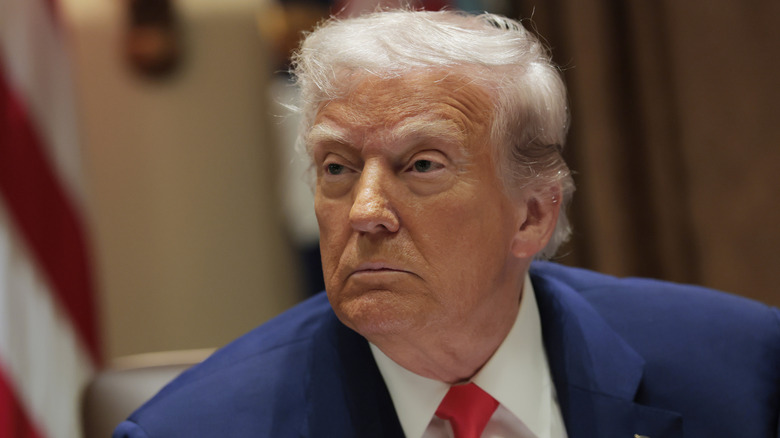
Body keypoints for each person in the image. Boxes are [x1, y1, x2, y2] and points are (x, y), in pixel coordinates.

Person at [113, 10, 780, 438]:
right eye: (338, 168)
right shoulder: (193, 429)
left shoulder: (742, 373)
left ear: (533, 214)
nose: (366, 211)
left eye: (422, 164)